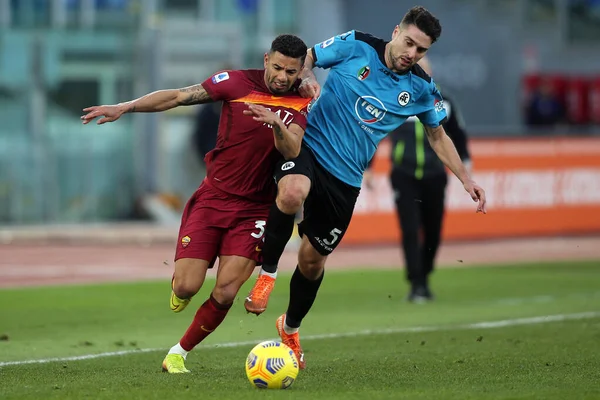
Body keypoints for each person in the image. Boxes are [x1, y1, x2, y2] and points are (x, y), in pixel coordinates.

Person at [243, 6, 487, 369]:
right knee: (292, 191)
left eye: (421, 50)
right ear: (395, 32)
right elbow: (307, 56)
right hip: (309, 146)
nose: (411, 54)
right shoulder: (355, 45)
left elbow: (438, 134)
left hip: (346, 177)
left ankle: (290, 327)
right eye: (408, 43)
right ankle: (267, 275)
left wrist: (466, 178)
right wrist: (307, 75)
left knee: (312, 261)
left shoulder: (420, 87)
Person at [80, 34, 312, 373]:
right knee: (188, 285)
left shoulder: (300, 102)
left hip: (254, 210)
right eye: (277, 67)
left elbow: (292, 150)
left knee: (227, 291)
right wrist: (125, 107)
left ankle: (178, 352)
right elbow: (177, 96)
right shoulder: (234, 83)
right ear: (266, 59)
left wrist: (277, 124)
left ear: (299, 71)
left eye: (291, 72)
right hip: (213, 199)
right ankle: (181, 289)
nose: (282, 77)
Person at [388, 56, 471, 303]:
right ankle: (416, 283)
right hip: (404, 175)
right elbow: (374, 131)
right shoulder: (394, 99)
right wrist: (367, 166)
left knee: (433, 232)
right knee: (410, 230)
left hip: (436, 176)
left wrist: (465, 165)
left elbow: (458, 133)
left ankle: (425, 275)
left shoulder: (444, 102)